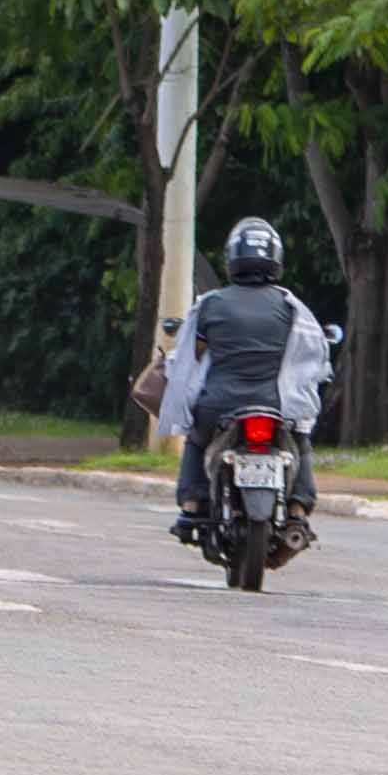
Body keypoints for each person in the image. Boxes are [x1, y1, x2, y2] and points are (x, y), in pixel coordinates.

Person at [153, 218, 339, 543]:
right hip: (276, 406)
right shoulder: (291, 306)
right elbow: (313, 353)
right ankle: (297, 510)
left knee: (196, 437)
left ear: (232, 258)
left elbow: (190, 358)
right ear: (275, 258)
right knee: (302, 441)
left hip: (219, 408)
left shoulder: (211, 304)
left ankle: (193, 504)